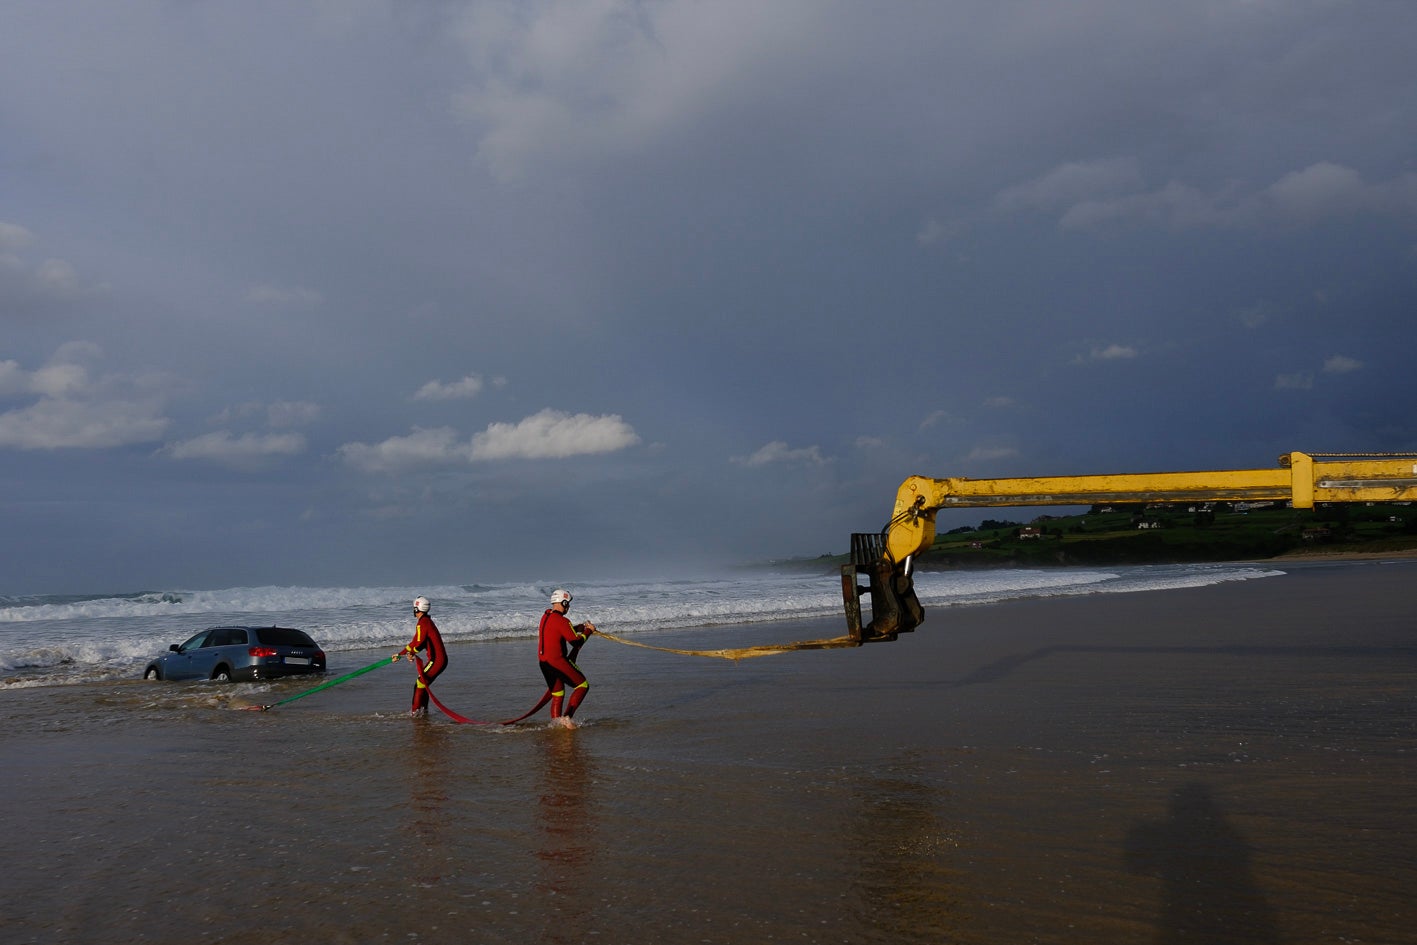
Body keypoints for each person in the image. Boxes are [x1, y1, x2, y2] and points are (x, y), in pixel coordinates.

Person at [538, 588, 596, 727]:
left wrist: (579, 628)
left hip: (544, 663)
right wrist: (588, 631)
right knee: (583, 685)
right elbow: (576, 642)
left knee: (558, 693)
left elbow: (559, 630)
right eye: (568, 604)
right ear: (563, 603)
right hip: (558, 662)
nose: (568, 607)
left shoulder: (546, 616)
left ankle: (556, 725)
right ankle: (566, 718)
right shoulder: (563, 621)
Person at [392, 596, 447, 717]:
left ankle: (415, 713)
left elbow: (419, 644)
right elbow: (415, 643)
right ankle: (423, 712)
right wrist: (400, 654)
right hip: (438, 660)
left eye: (414, 608)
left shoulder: (422, 623)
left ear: (417, 609)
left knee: (419, 684)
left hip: (436, 661)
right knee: (423, 684)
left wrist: (412, 653)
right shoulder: (425, 621)